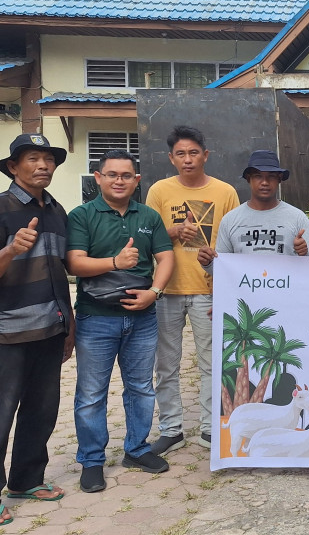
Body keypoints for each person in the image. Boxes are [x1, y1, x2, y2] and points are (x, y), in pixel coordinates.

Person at [0, 134, 75, 527]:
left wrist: (68, 328)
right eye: (32, 158)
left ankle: (26, 480)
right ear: (13, 166)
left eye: (48, 159)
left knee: (41, 413)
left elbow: (59, 272)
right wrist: (10, 250)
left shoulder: (57, 211)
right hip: (6, 331)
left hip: (50, 328)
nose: (43, 165)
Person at [66, 150, 176, 493]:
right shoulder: (82, 215)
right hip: (96, 318)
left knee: (141, 388)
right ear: (97, 178)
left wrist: (154, 292)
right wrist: (115, 262)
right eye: (111, 174)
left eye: (126, 176)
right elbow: (74, 263)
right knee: (91, 393)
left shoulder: (149, 216)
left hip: (142, 318)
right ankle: (92, 460)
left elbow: (166, 256)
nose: (119, 181)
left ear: (136, 180)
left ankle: (137, 449)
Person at [146, 126, 239, 455]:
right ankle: (171, 429)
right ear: (171, 158)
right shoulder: (159, 191)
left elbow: (232, 245)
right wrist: (172, 230)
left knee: (212, 363)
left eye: (194, 153)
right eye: (181, 154)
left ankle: (211, 428)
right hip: (167, 290)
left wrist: (224, 285)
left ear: (205, 155)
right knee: (166, 364)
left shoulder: (225, 192)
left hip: (209, 291)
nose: (188, 159)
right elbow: (148, 239)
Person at [198, 150, 309, 270]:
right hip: (245, 290)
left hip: (287, 289)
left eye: (271, 176)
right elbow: (222, 270)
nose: (265, 182)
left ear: (279, 179)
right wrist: (207, 262)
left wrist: (305, 252)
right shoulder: (230, 220)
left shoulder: (297, 218)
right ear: (248, 179)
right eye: (258, 176)